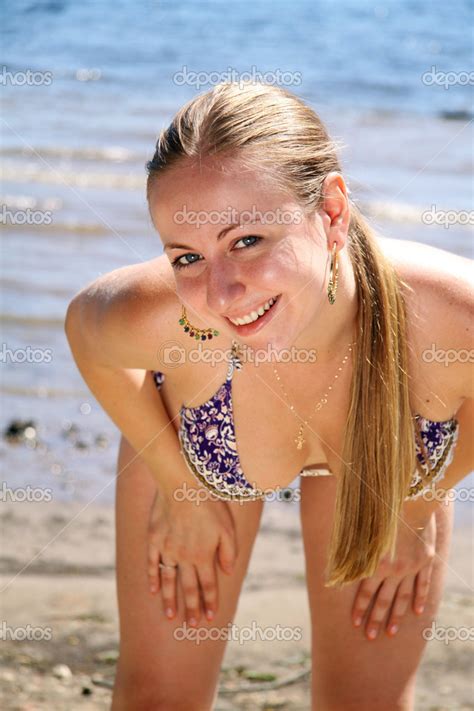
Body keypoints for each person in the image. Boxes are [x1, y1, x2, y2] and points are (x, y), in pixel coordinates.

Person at [65, 81, 473, 711]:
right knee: (158, 699)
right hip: (201, 452)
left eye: (247, 241)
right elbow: (86, 336)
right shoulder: (175, 322)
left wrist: (421, 498)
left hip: (387, 462)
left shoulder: (443, 313)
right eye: (186, 257)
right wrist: (178, 486)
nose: (224, 294)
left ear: (332, 212)